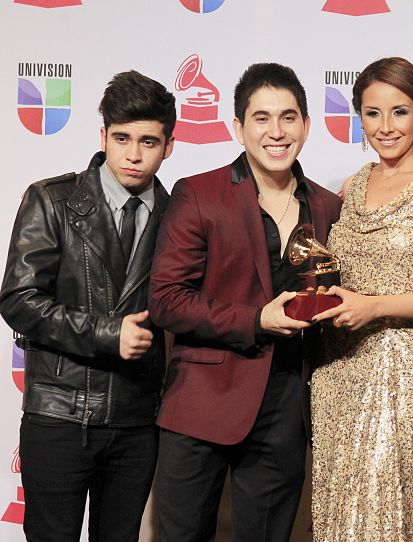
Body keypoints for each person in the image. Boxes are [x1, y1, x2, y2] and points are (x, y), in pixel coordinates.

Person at [148, 63, 341, 542]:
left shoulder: (330, 207)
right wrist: (256, 320)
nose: (276, 132)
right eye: (261, 118)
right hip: (201, 405)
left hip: (285, 410)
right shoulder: (198, 193)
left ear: (307, 124)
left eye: (288, 117)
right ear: (238, 127)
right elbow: (167, 300)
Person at [0, 71, 175, 541]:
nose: (134, 155)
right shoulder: (52, 200)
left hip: (137, 421)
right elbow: (18, 299)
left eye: (148, 141)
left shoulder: (179, 215)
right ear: (103, 136)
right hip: (58, 414)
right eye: (121, 138)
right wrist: (106, 332)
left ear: (169, 146)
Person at [309, 56, 413, 541]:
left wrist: (375, 306)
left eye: (399, 112)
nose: (386, 127)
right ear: (359, 116)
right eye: (372, 112)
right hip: (338, 360)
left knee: (384, 492)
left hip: (401, 360)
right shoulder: (353, 185)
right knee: (340, 494)